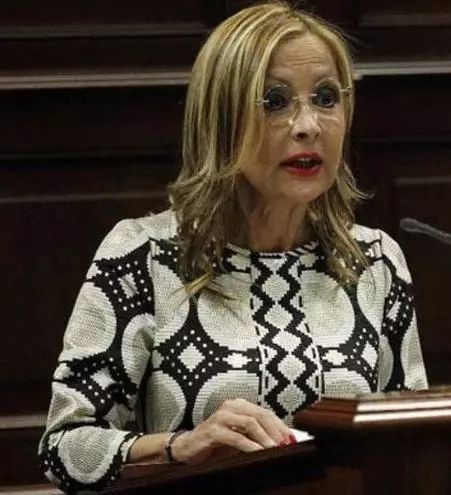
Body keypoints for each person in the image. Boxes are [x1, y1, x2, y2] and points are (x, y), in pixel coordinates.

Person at [38, 2, 428, 492]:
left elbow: (413, 443)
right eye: (274, 101)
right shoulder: (144, 256)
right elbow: (65, 448)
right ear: (222, 118)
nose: (308, 125)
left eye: (327, 98)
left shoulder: (374, 261)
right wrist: (180, 447)